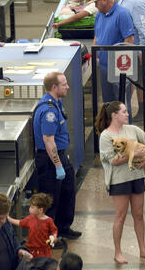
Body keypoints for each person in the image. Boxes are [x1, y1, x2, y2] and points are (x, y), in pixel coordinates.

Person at [96, 101, 145, 264]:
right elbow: (112, 161)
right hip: (119, 181)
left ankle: (143, 250)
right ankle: (118, 252)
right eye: (123, 112)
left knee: (139, 214)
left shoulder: (132, 130)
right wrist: (135, 154)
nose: (127, 114)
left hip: (136, 178)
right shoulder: (106, 136)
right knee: (120, 216)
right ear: (114, 115)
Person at [32, 72, 82, 241]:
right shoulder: (49, 111)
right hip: (50, 159)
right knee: (50, 200)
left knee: (68, 191)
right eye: (64, 84)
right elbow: (48, 140)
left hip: (60, 155)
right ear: (54, 87)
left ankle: (63, 228)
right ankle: (49, 238)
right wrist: (58, 165)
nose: (67, 87)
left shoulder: (57, 103)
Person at [92, 0, 135, 115]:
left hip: (118, 68)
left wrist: (123, 66)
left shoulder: (122, 14)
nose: (95, 6)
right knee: (108, 104)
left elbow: (129, 39)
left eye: (96, 3)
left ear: (105, 1)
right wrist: (95, 54)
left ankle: (125, 132)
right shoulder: (99, 15)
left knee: (121, 104)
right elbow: (97, 36)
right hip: (104, 67)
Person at [7, 193, 58, 258]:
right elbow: (20, 222)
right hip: (30, 250)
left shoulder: (49, 221)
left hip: (44, 251)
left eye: (32, 207)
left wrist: (53, 237)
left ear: (40, 210)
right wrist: (9, 219)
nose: (29, 208)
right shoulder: (30, 218)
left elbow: (54, 231)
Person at [0, 193, 32, 269]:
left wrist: (19, 250)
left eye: (5, 217)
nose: (3, 221)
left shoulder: (5, 223)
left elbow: (13, 238)